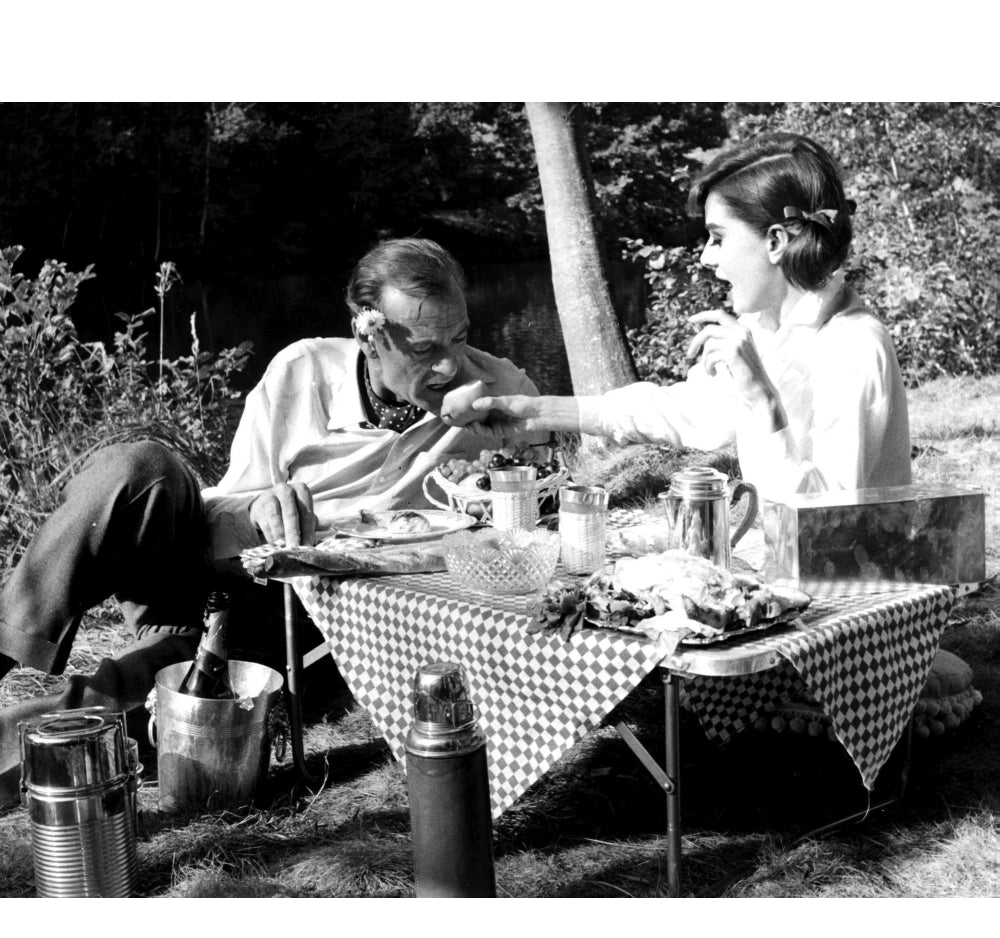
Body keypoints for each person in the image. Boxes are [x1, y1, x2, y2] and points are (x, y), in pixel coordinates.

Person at [0, 238, 544, 794]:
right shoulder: (303, 371)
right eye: (425, 348)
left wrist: (512, 465)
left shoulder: (495, 391)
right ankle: (7, 641)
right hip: (209, 571)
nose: (449, 364)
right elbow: (216, 510)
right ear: (368, 334)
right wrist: (256, 509)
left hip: (292, 619)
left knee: (133, 696)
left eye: (459, 336)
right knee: (143, 466)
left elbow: (545, 480)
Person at [468, 132, 913, 500]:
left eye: (717, 237)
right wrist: (535, 411)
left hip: (859, 592)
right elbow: (682, 412)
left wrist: (760, 397)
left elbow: (826, 520)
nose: (706, 257)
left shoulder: (855, 345)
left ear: (775, 242)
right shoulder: (764, 328)